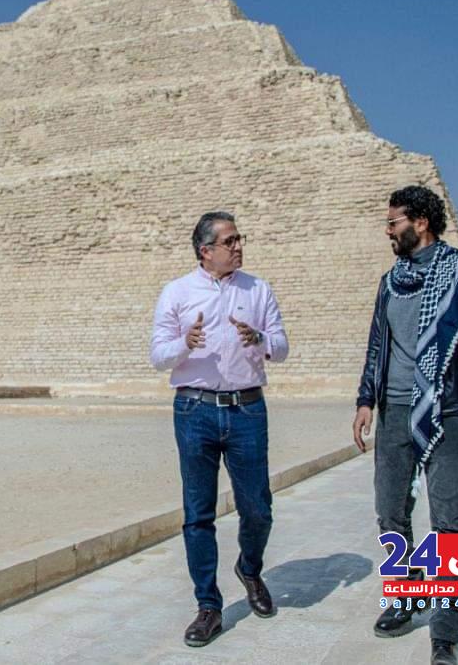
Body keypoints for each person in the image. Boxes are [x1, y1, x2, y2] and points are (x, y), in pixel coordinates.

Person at [353, 186, 458, 665]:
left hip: (451, 411)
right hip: (395, 411)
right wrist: (365, 401)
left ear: (420, 222)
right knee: (389, 511)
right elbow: (378, 345)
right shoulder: (390, 281)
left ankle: (446, 633)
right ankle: (407, 593)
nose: (387, 230)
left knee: (449, 523)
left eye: (393, 222)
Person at [150, 210, 289, 647]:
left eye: (239, 239)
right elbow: (157, 355)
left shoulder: (258, 289)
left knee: (258, 508)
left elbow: (282, 346)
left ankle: (249, 569)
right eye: (229, 241)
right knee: (198, 513)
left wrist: (260, 340)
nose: (238, 246)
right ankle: (208, 606)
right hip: (195, 410)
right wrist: (184, 344)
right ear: (205, 250)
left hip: (247, 410)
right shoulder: (177, 292)